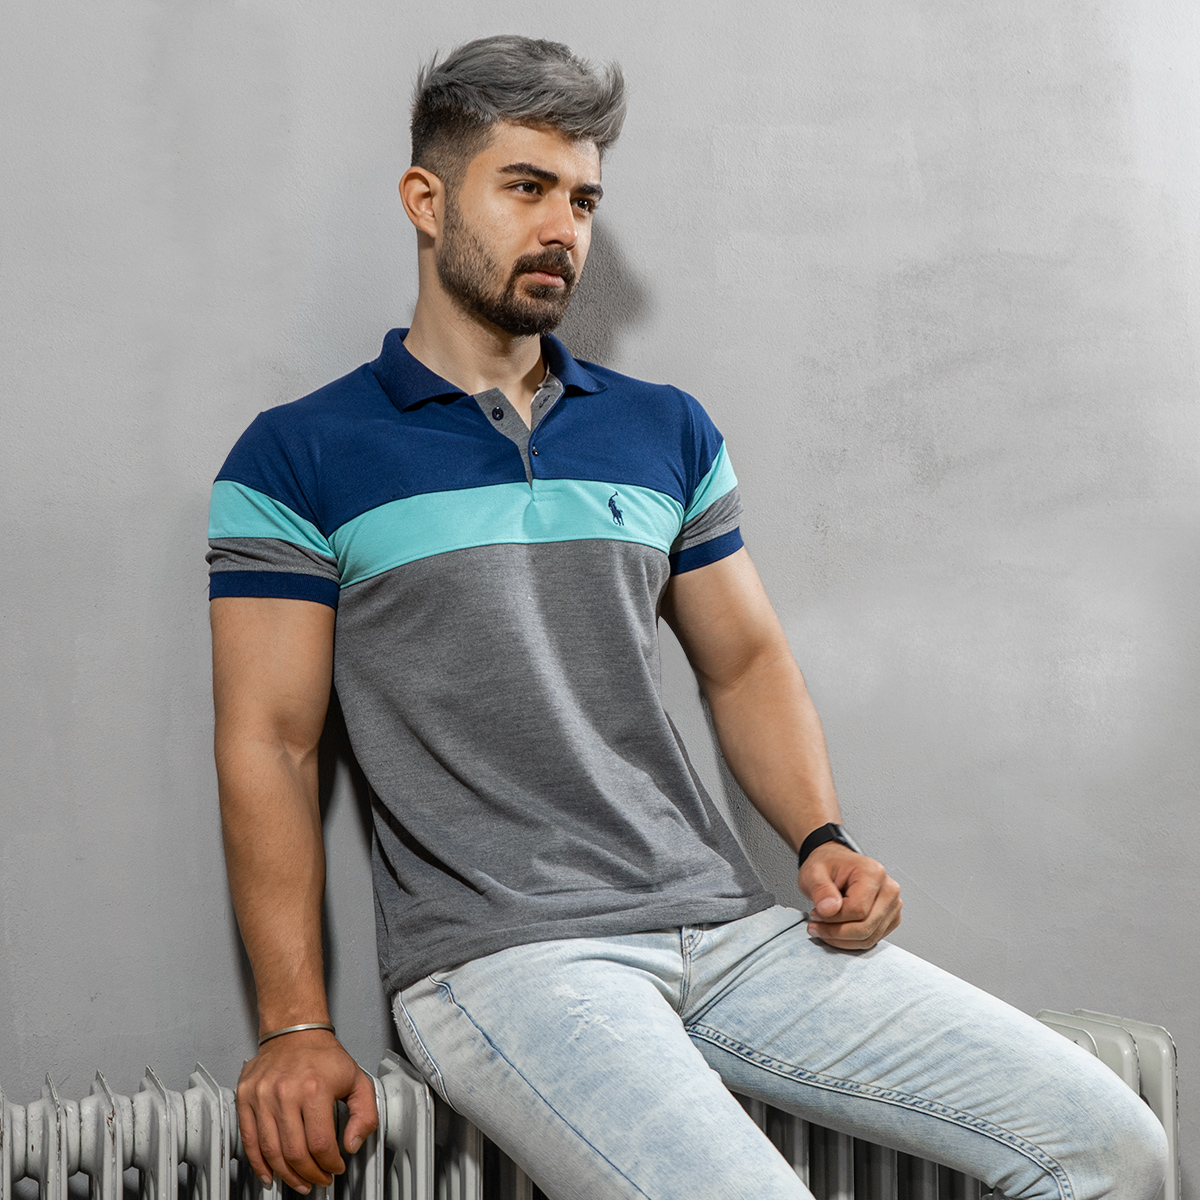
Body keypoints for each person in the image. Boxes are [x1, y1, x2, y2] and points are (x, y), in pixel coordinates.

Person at [208, 35, 1167, 1200]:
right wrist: (293, 1025)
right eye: (526, 188)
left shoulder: (663, 430)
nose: (561, 228)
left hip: (726, 928)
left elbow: (746, 661)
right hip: (509, 957)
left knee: (1111, 1141)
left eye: (582, 200)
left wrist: (820, 838)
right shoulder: (299, 455)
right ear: (426, 199)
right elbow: (271, 742)